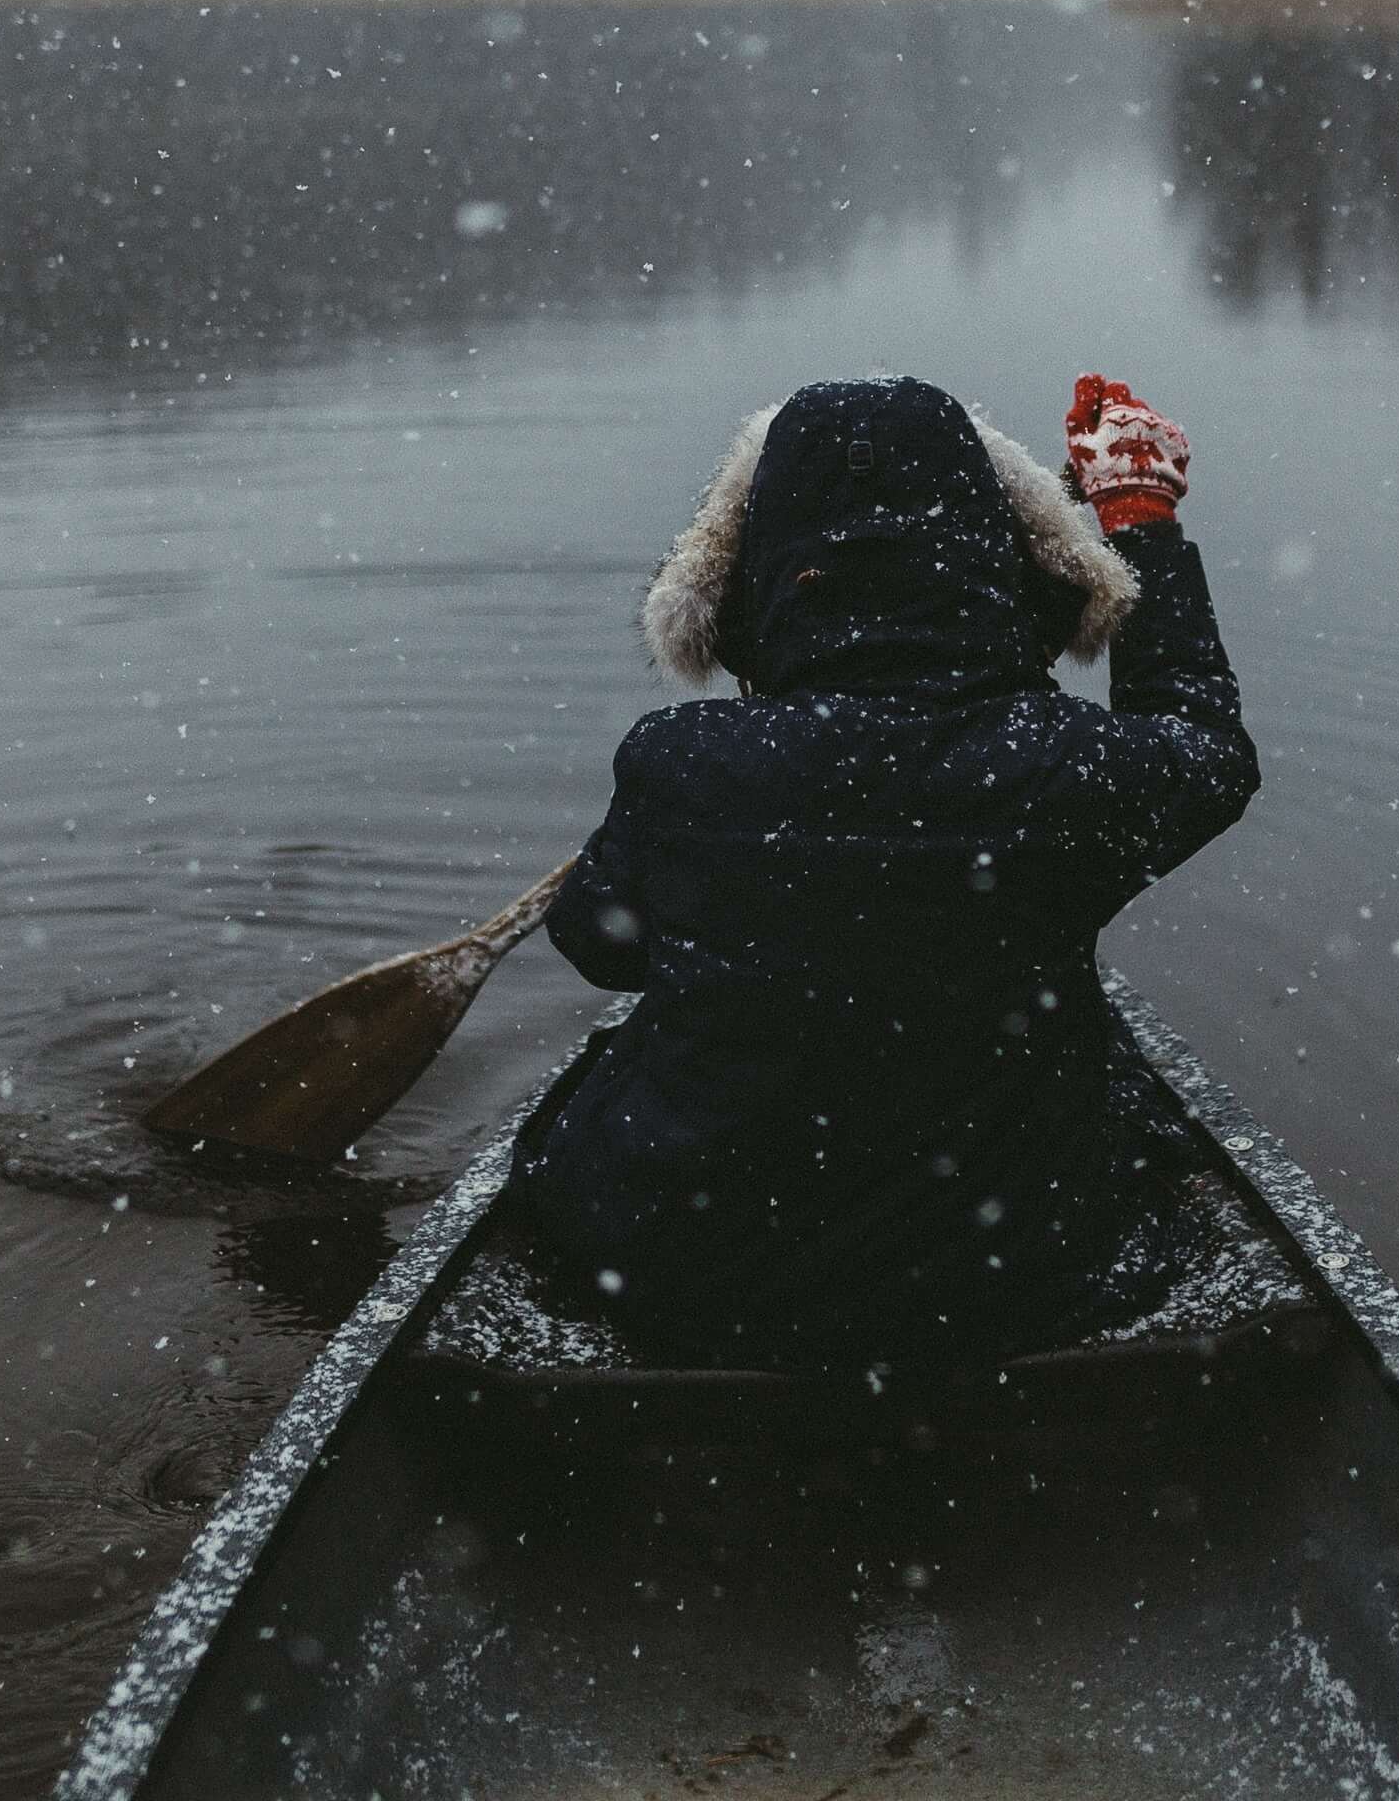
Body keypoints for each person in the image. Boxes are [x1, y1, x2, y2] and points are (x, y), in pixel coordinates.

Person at [509, 372, 1256, 1367]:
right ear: (998, 561)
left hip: (699, 1282)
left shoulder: (679, 763)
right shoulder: (1067, 766)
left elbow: (600, 947)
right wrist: (1139, 519)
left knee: (594, 1112)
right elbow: (1205, 747)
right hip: (1024, 1284)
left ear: (759, 574)